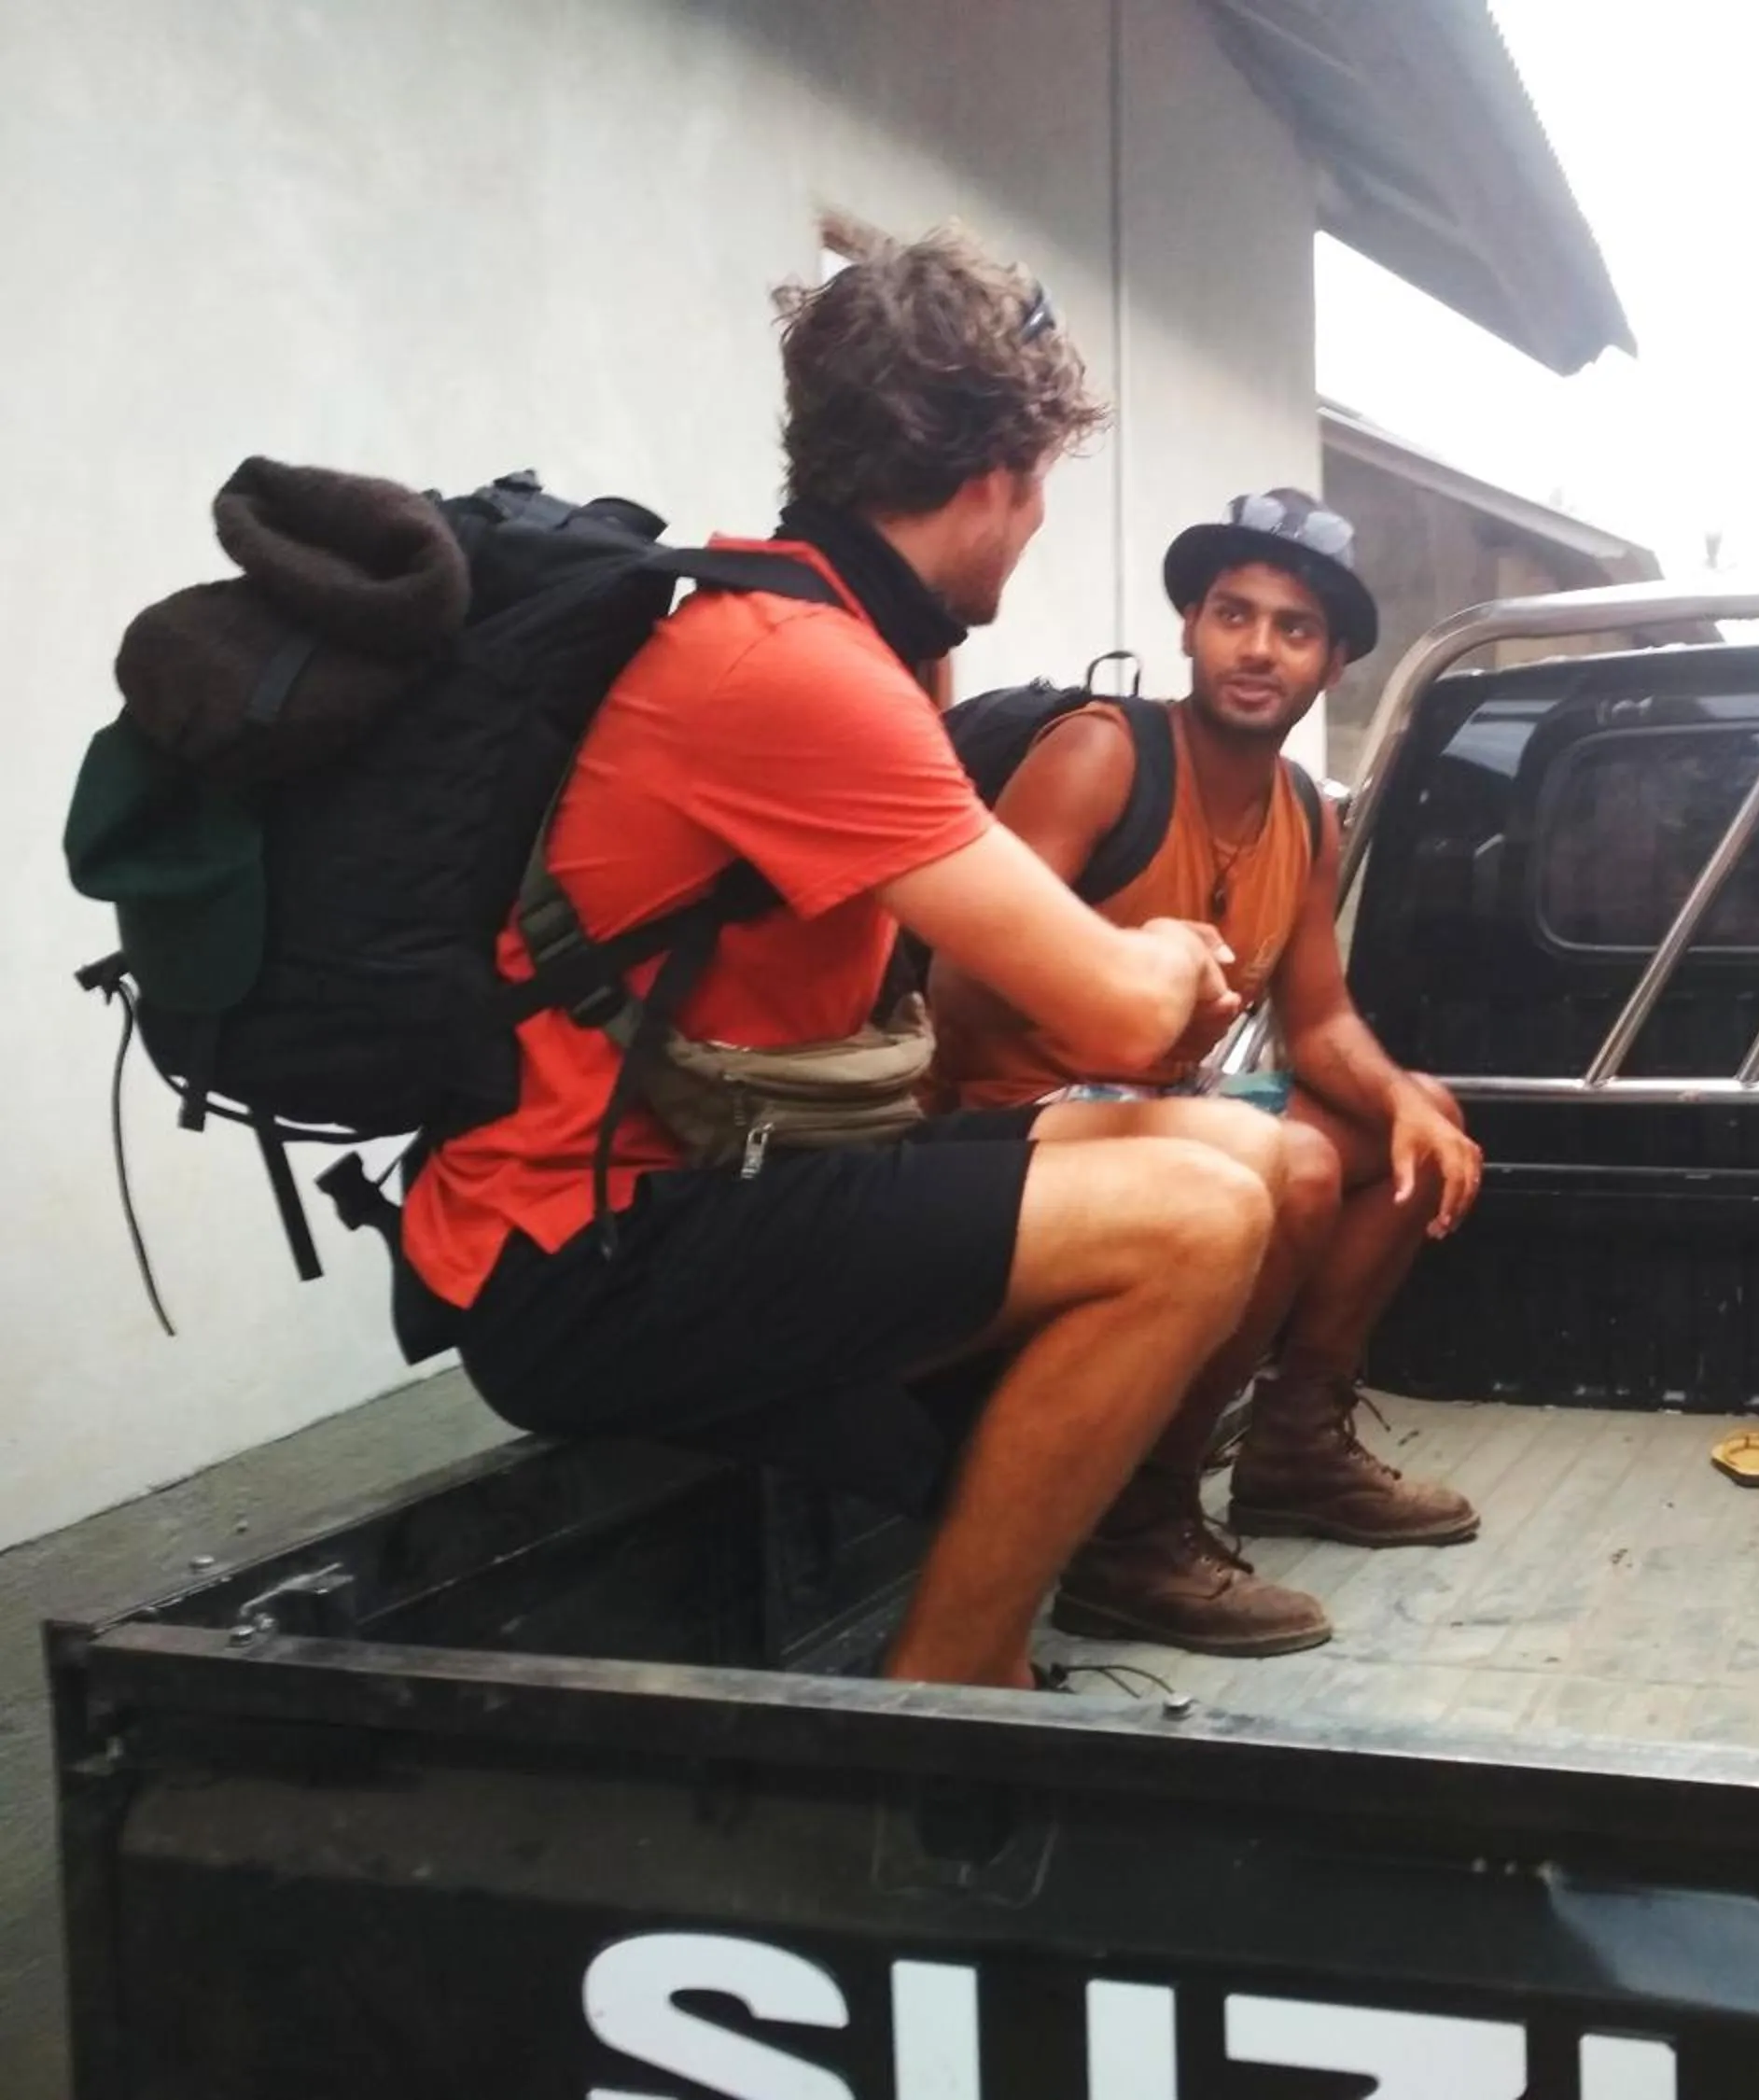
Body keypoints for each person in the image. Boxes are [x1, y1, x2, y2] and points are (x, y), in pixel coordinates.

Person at [406, 227, 1288, 1692]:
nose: (1034, 524)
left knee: (1244, 1162)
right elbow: (1128, 1017)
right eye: (1044, 490)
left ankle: (1074, 1547)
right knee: (1194, 1212)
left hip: (723, 1186)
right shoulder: (796, 672)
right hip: (589, 1251)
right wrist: (1178, 953)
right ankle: (951, 1692)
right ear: (1005, 471)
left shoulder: (841, 635)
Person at [930, 490, 1485, 1658]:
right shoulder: (1099, 753)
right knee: (1281, 1158)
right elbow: (959, 990)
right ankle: (1131, 1533)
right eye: (1235, 614)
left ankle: (1292, 1452)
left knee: (1410, 1125)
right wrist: (1121, 1017)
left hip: (1156, 1112)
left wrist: (1399, 1104)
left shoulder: (1304, 813)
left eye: (1293, 628)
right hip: (1010, 1122)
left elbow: (1321, 1017)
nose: (1257, 647)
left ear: (1331, 661)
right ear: (1189, 624)